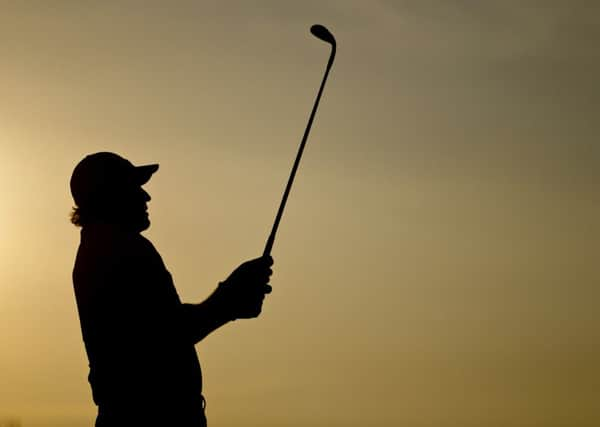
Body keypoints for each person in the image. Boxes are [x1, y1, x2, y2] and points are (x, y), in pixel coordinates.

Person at [69, 152, 273, 426]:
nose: (146, 197)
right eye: (134, 188)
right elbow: (166, 335)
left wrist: (230, 304)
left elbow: (160, 330)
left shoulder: (102, 249)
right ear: (110, 196)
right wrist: (229, 298)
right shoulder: (121, 250)